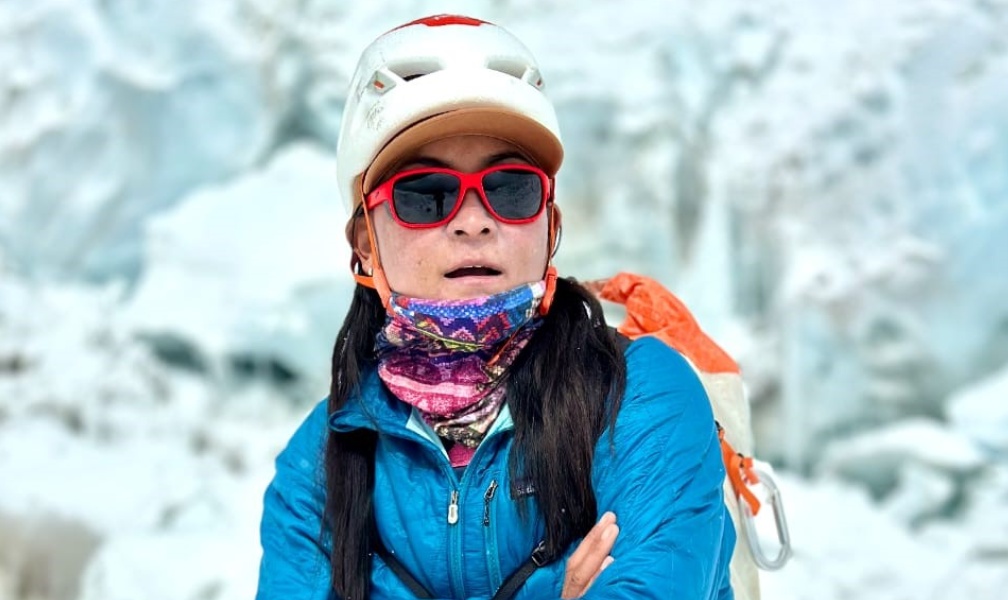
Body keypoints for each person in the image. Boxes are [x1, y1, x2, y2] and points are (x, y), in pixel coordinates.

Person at [256, 14, 735, 600]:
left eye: (511, 189)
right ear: (365, 243)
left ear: (549, 225)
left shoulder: (639, 396)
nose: (474, 221)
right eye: (425, 195)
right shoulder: (320, 464)